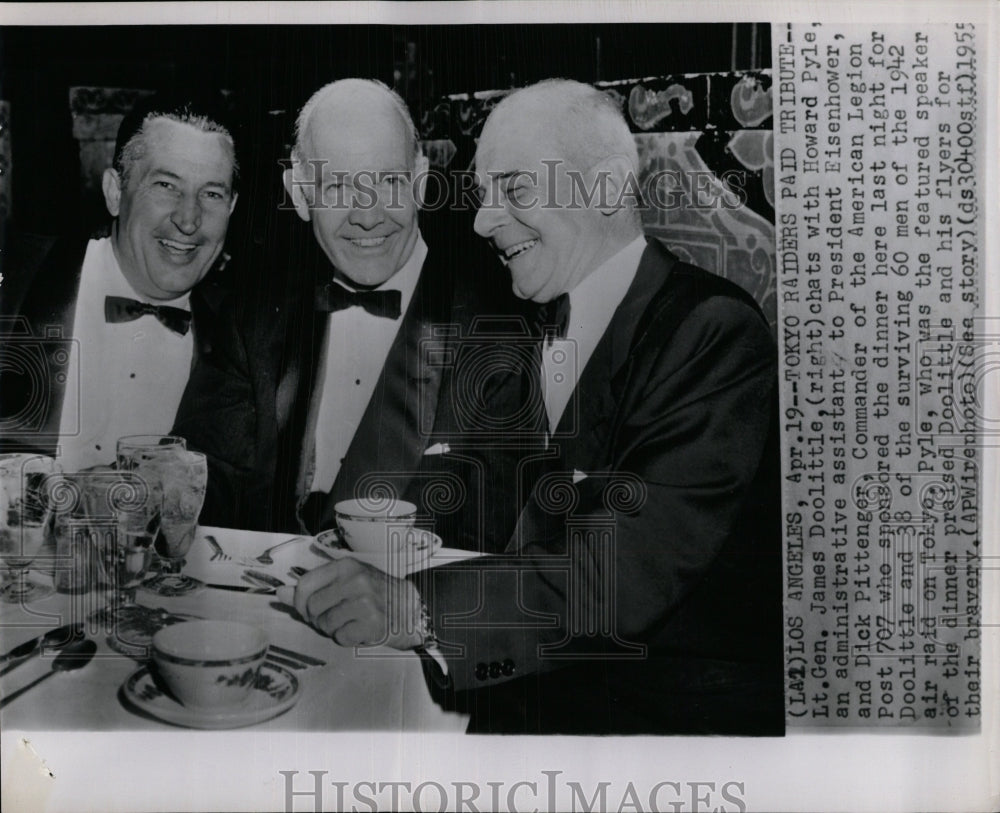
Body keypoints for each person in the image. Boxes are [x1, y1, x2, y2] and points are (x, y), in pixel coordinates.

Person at [280, 78, 784, 735]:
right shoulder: (520, 324)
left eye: (514, 191)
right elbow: (468, 497)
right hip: (518, 689)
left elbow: (618, 570)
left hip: (660, 722)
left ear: (605, 187)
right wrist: (361, 543)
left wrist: (414, 608)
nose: (484, 221)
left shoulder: (711, 331)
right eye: (485, 196)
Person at [174, 78, 524, 543]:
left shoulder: (497, 332)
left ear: (420, 180)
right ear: (299, 193)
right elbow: (202, 496)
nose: (367, 214)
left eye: (389, 181)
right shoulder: (251, 321)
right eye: (338, 185)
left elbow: (497, 546)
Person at [0, 93, 239, 468]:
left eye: (211, 193)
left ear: (232, 207)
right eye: (166, 185)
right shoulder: (13, 282)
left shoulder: (247, 336)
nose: (189, 219)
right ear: (115, 192)